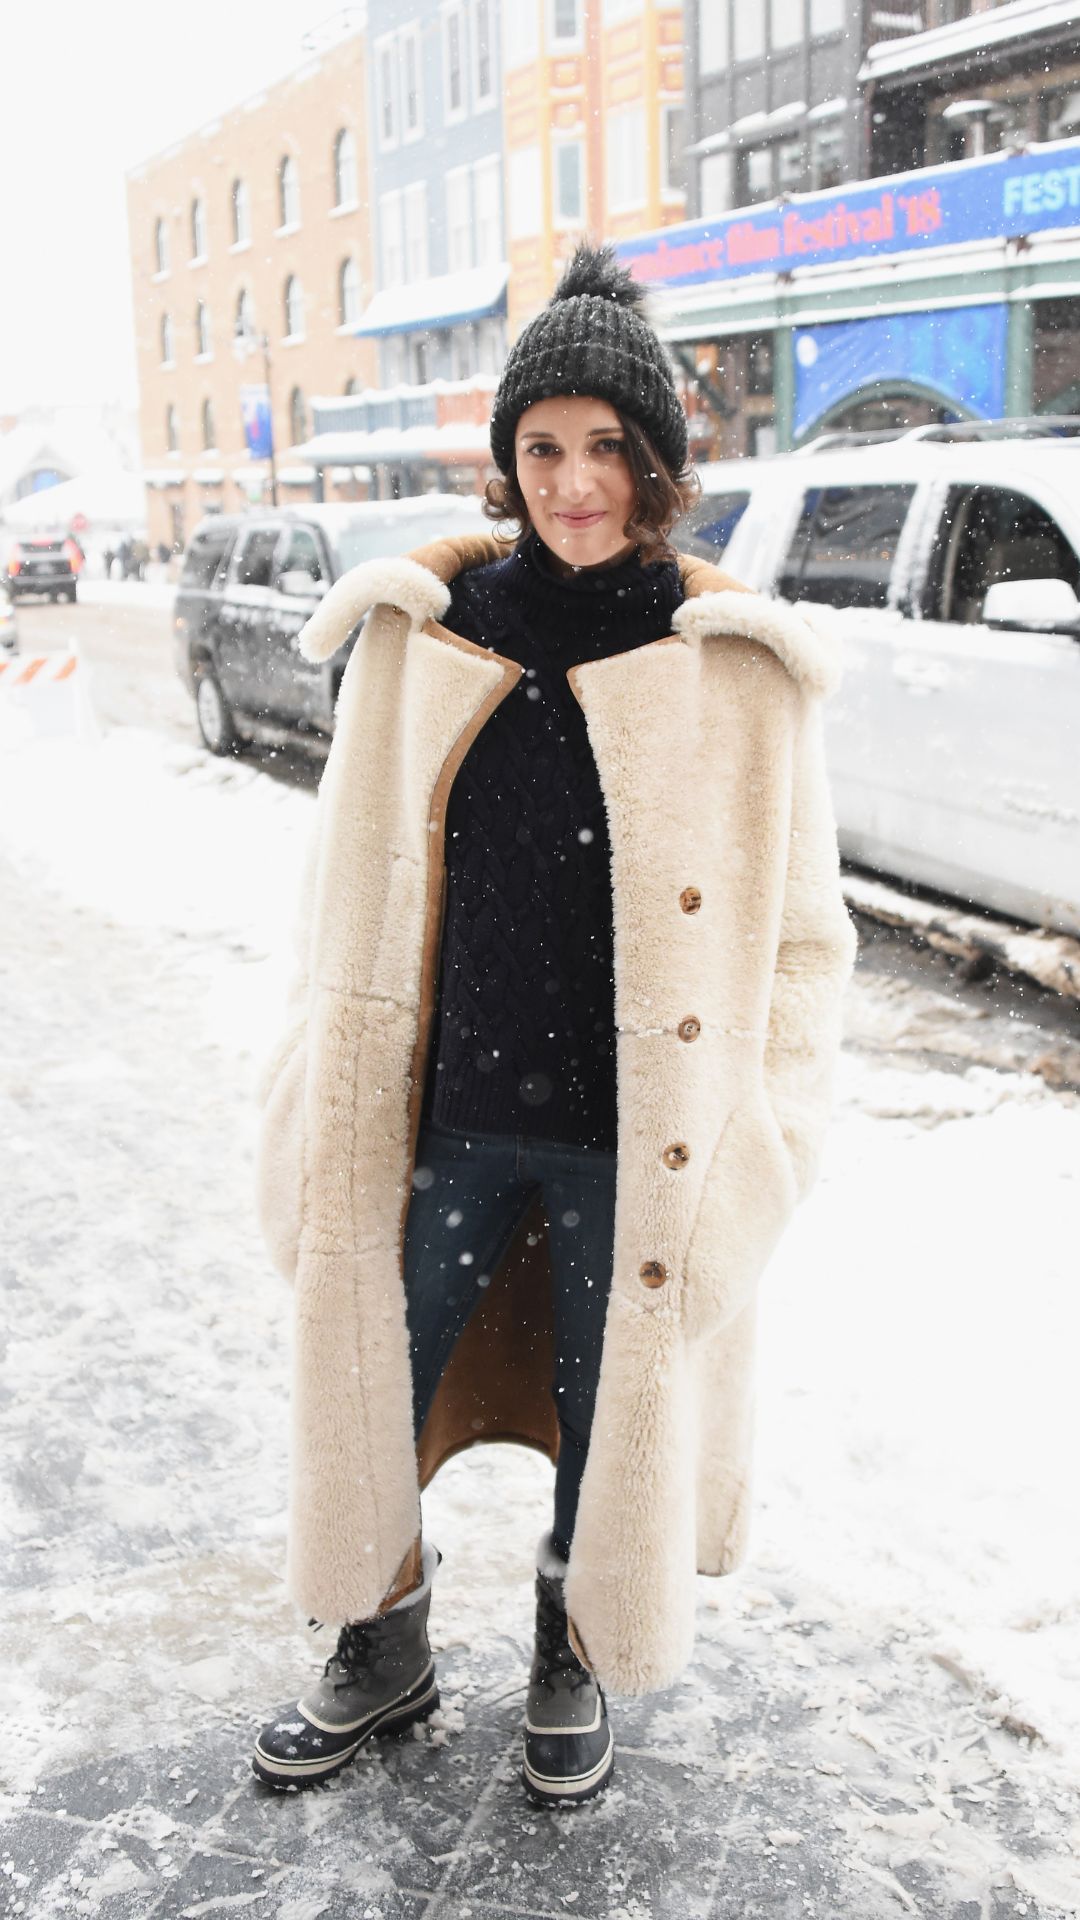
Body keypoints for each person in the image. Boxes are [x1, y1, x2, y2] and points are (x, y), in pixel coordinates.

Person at [250, 244, 857, 1808]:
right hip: (438, 1112)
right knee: (376, 1380)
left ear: (658, 465)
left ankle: (572, 1639)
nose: (572, 483)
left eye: (607, 449)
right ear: (506, 460)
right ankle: (380, 1645)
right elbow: (340, 898)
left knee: (615, 1409)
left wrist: (767, 1146)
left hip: (635, 1141)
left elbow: (804, 943)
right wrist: (307, 1085)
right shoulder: (423, 636)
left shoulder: (733, 670)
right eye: (542, 448)